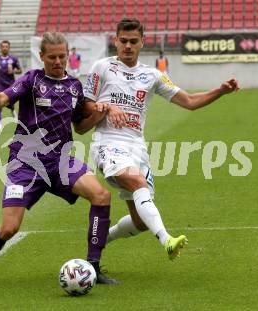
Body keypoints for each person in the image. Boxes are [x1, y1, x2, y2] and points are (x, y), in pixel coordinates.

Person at [0, 32, 118, 285]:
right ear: (42, 56)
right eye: (52, 57)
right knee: (8, 229)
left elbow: (79, 127)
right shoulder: (32, 80)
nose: (58, 61)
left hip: (60, 162)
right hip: (25, 163)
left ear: (68, 55)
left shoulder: (74, 86)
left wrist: (97, 117)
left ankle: (93, 267)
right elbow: (1, 100)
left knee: (101, 196)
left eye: (62, 56)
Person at [78, 18, 240, 261]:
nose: (128, 46)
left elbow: (190, 102)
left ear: (143, 42)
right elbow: (85, 103)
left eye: (134, 41)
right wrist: (108, 107)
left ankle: (104, 238)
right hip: (108, 142)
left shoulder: (153, 75)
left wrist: (221, 91)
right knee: (137, 183)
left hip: (136, 148)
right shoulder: (102, 67)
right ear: (115, 41)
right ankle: (166, 240)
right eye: (123, 41)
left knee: (140, 222)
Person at [0, 40, 22, 132]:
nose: (4, 48)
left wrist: (13, 71)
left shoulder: (13, 59)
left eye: (6, 46)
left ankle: (13, 111)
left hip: (10, 84)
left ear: (9, 48)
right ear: (0, 48)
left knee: (10, 101)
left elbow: (20, 70)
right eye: (3, 46)